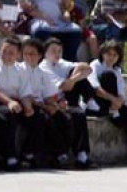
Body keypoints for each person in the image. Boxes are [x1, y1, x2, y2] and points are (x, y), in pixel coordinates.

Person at [0, 36, 45, 171]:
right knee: (7, 114)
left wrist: (28, 106)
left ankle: (28, 153)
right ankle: (8, 156)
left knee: (38, 116)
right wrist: (9, 101)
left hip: (16, 101)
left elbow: (25, 92)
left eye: (11, 53)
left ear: (18, 55)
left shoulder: (21, 69)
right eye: (4, 51)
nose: (6, 55)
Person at [86, 40, 127, 165]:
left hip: (114, 104)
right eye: (108, 54)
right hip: (97, 103)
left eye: (115, 55)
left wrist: (118, 101)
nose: (111, 58)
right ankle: (113, 112)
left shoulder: (117, 70)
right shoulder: (95, 65)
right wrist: (113, 100)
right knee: (108, 76)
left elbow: (121, 92)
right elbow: (95, 88)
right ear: (103, 53)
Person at [40, 37, 96, 169]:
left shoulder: (62, 63)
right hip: (51, 101)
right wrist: (75, 77)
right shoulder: (44, 68)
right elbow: (65, 86)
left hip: (66, 100)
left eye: (59, 51)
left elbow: (88, 68)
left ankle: (82, 155)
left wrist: (74, 76)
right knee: (70, 117)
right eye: (53, 51)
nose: (57, 54)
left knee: (79, 114)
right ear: (45, 53)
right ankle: (61, 154)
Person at [20, 0, 84, 61]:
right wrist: (46, 19)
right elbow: (27, 7)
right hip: (39, 19)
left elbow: (62, 7)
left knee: (76, 30)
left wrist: (65, 14)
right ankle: (44, 60)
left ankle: (68, 60)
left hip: (59, 22)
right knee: (41, 30)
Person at [91, 0, 127, 65]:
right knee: (114, 30)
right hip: (101, 25)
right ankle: (111, 64)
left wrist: (124, 20)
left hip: (124, 26)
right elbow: (109, 19)